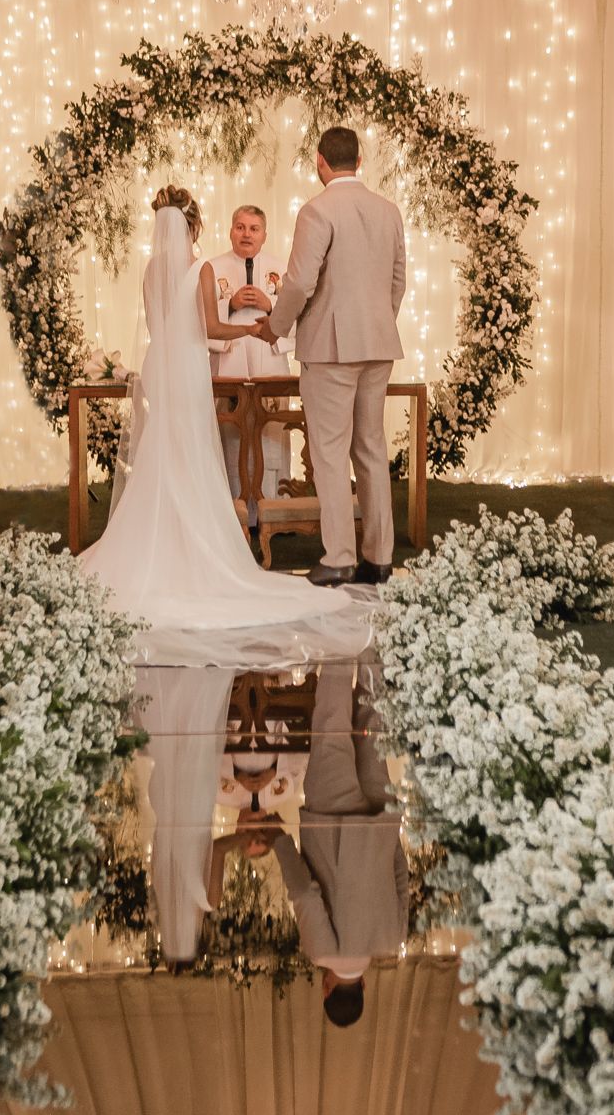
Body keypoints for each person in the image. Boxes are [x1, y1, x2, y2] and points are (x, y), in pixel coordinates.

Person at [80, 186, 370, 663]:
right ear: (195, 225)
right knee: (193, 451)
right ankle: (193, 542)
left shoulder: (153, 268)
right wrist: (253, 327)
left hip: (159, 366)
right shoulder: (202, 267)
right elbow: (209, 329)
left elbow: (160, 326)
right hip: (188, 368)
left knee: (163, 453)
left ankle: (156, 538)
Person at [255, 127, 406, 587]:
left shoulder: (317, 210)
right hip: (378, 343)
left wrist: (274, 327)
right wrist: (378, 322)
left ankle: (339, 555)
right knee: (372, 449)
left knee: (329, 451)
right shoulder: (388, 210)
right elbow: (399, 280)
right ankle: (379, 558)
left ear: (320, 161)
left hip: (330, 348)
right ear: (359, 161)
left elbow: (299, 283)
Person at [269, 659, 409, 1027]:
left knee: (372, 722)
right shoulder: (323, 953)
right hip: (332, 823)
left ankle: (368, 639)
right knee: (330, 725)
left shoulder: (393, 940)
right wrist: (277, 840)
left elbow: (401, 878)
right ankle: (338, 635)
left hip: (379, 820)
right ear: (327, 990)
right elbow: (305, 894)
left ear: (363, 985)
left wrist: (386, 834)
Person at [200, 205, 294, 524]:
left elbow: (298, 320)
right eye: (240, 227)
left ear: (264, 235)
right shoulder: (212, 269)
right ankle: (233, 516)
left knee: (271, 437)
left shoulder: (282, 269)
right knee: (231, 440)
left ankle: (273, 513)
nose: (246, 234)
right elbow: (200, 320)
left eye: (254, 229)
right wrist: (230, 303)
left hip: (270, 368)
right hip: (230, 368)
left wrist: (271, 305)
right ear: (230, 231)